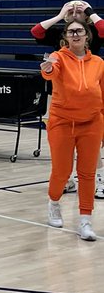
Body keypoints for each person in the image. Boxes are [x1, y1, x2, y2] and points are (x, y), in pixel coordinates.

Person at [31, 0, 104, 197]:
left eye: (79, 10)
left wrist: (90, 11)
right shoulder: (60, 33)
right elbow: (36, 32)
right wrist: (60, 15)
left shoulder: (91, 33)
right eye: (71, 10)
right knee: (62, 143)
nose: (74, 12)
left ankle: (100, 180)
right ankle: (67, 180)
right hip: (59, 97)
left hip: (87, 97)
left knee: (92, 145)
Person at [40, 19, 104, 242]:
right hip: (62, 122)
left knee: (87, 173)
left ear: (87, 36)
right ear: (66, 37)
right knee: (62, 171)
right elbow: (50, 72)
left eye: (79, 31)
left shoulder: (98, 63)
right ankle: (53, 203)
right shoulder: (58, 57)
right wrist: (47, 69)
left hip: (92, 123)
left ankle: (85, 220)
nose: (75, 34)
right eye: (71, 31)